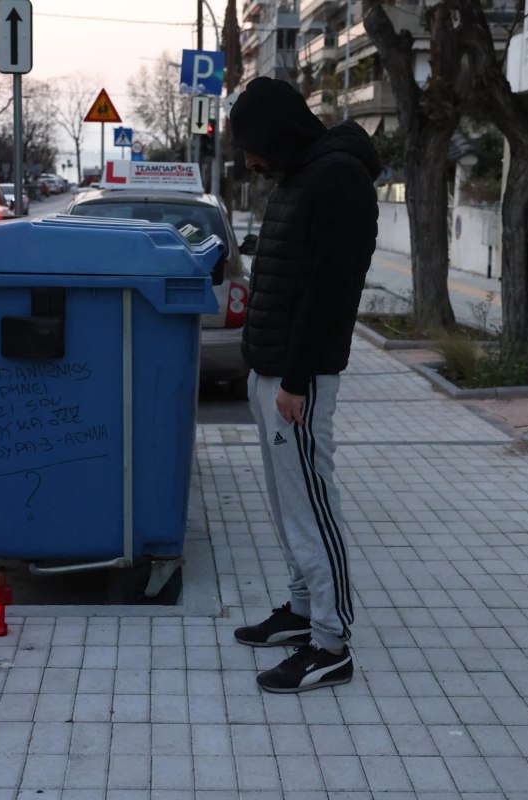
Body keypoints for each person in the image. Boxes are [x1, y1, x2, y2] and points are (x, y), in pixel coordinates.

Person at [228, 77, 380, 693]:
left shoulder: (337, 177)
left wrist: (293, 378)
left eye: (251, 146)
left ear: (277, 134)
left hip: (300, 378)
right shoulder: (302, 174)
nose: (248, 160)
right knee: (289, 504)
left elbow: (331, 292)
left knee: (312, 505)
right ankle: (300, 610)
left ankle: (331, 643)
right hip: (274, 370)